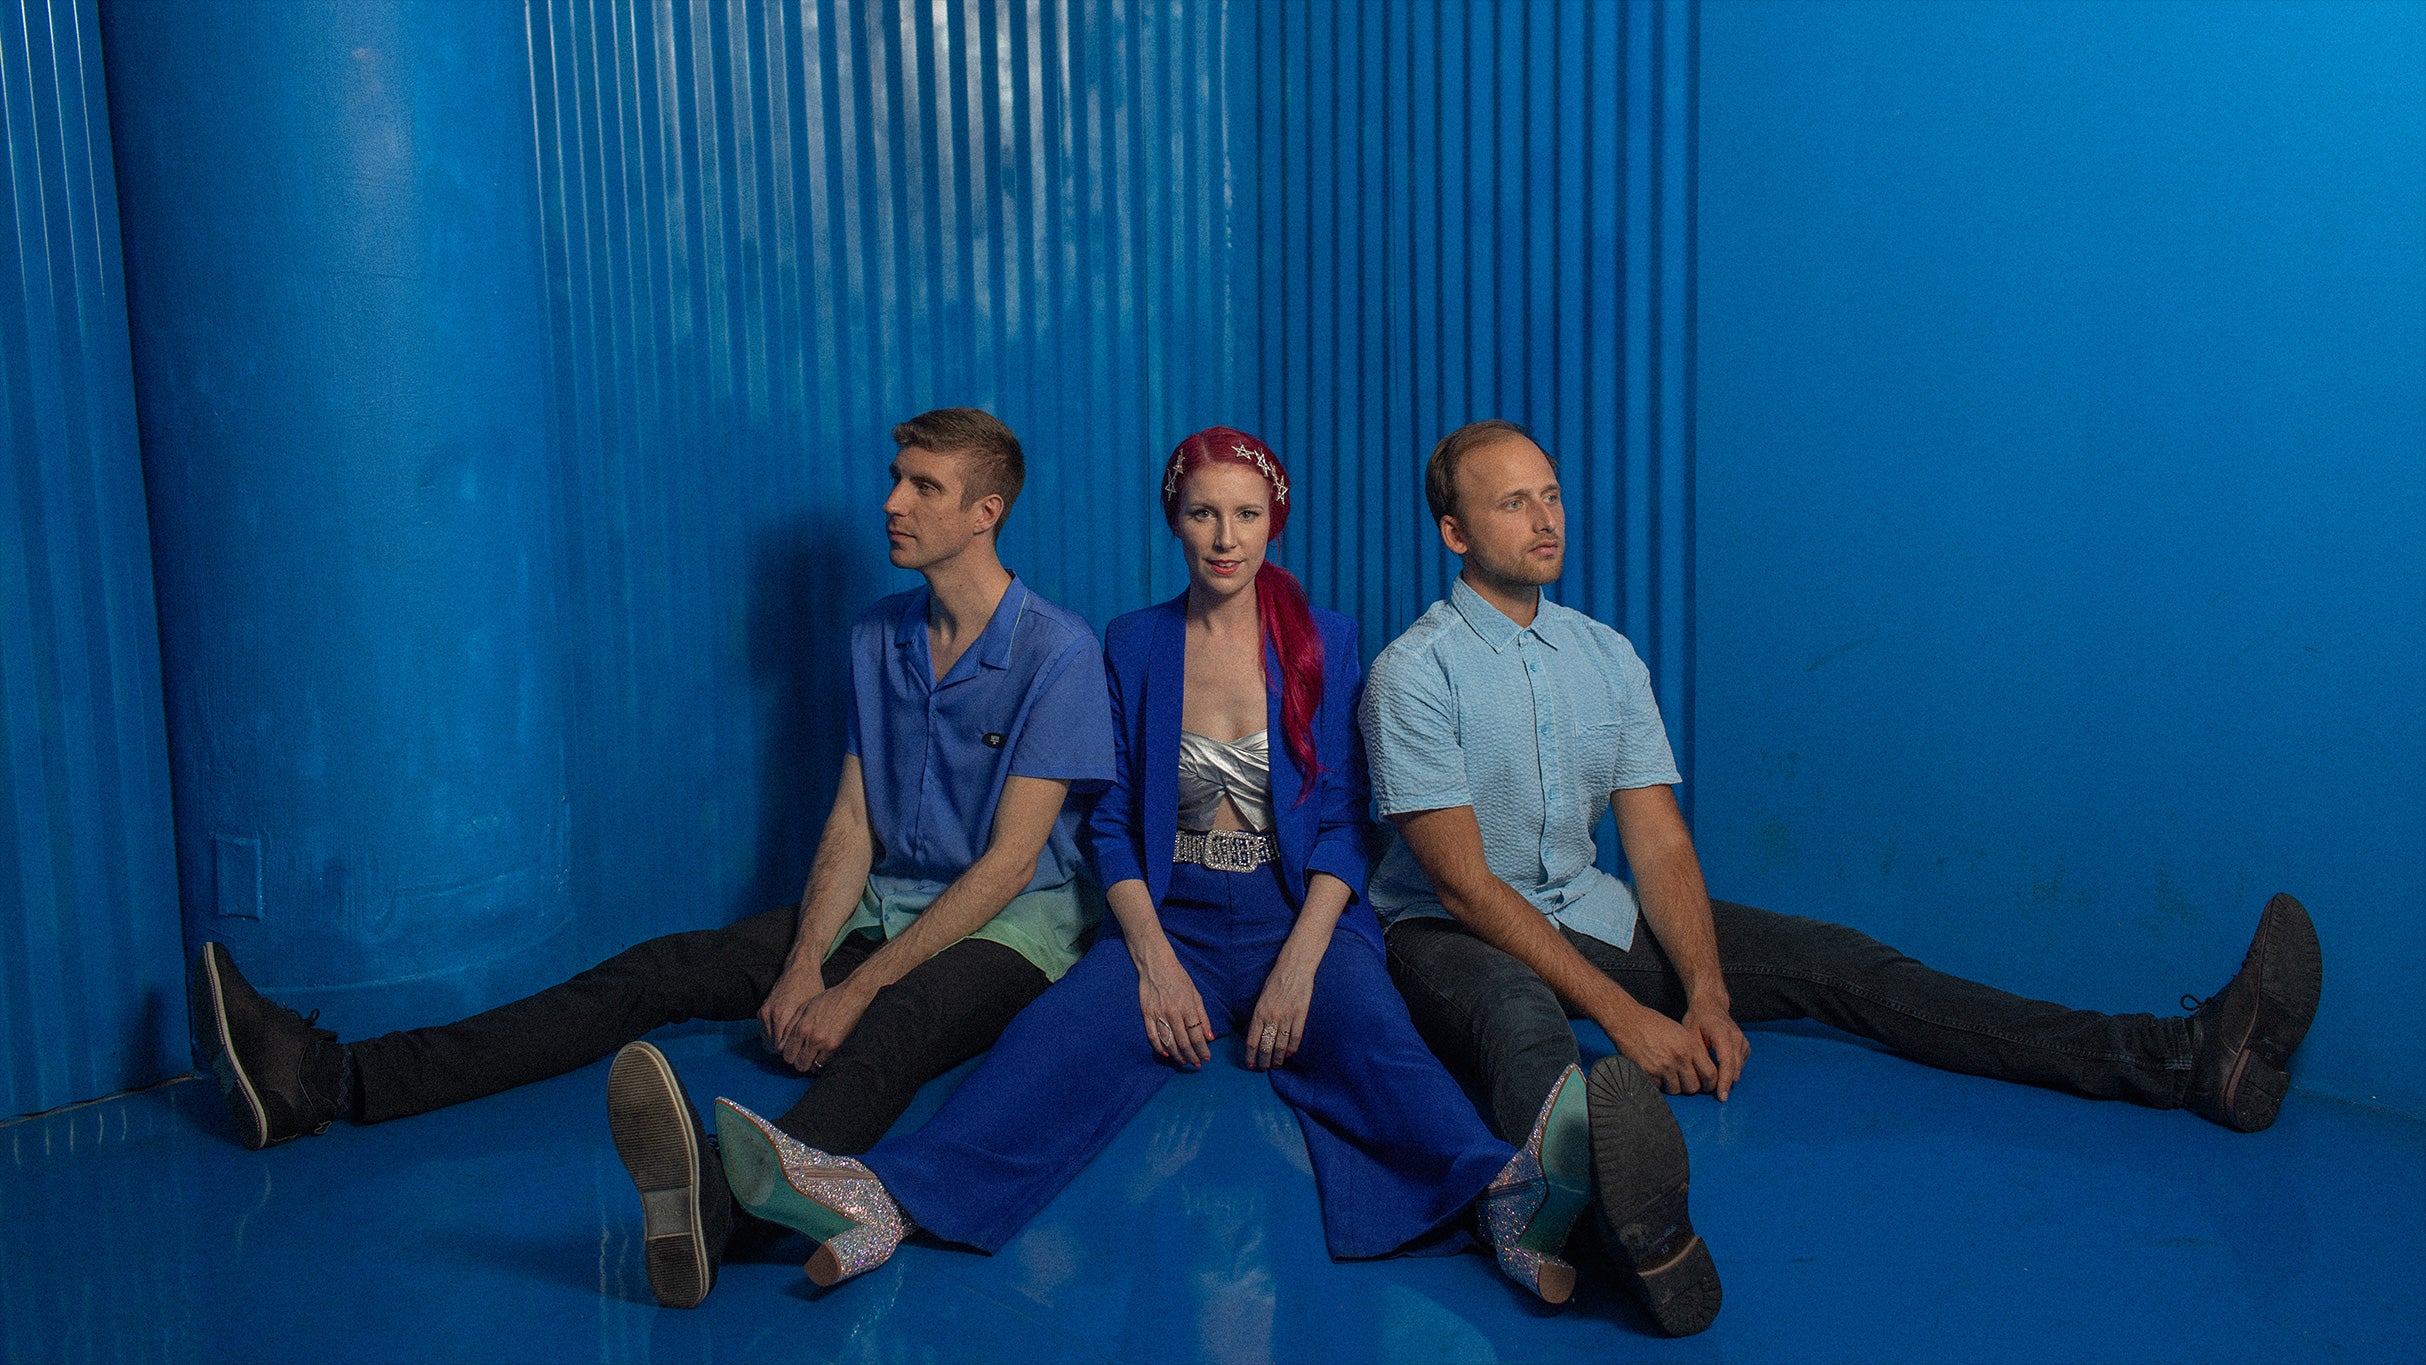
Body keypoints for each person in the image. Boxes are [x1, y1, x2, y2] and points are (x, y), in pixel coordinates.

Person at [1362, 419, 2325, 1337]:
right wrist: (1629, 1016)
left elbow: (1656, 842)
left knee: (1841, 961)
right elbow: (1468, 888)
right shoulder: (1414, 674)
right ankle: (1625, 1240)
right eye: (1512, 503)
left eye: (1552, 495)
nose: (1545, 520)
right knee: (1526, 1024)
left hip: (1585, 907)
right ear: (1455, 532)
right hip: (1450, 935)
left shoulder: (1604, 654)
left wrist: (1705, 993)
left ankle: (2185, 1060)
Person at [188, 407, 1117, 1310]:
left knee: (894, 1026)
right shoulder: (879, 634)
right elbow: (851, 820)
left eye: (923, 487)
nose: (892, 503)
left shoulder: (1057, 651)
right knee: (662, 967)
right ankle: (324, 1079)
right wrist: (804, 963)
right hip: (886, 896)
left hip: (1011, 926)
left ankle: (723, 1206)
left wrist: (856, 987)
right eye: (894, 479)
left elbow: (1007, 865)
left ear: (986, 511)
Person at [705, 427, 1596, 1300]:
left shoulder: (1325, 638)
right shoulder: (1132, 643)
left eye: (1246, 514)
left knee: (1380, 1044)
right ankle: (882, 1202)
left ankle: (1505, 1204)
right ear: (1175, 520)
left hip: (1301, 920)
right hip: (1172, 923)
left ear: (1274, 521)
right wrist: (1155, 959)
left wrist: (1300, 966)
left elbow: (1342, 826)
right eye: (1203, 513)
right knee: (1040, 1050)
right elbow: (1114, 826)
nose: (1225, 537)